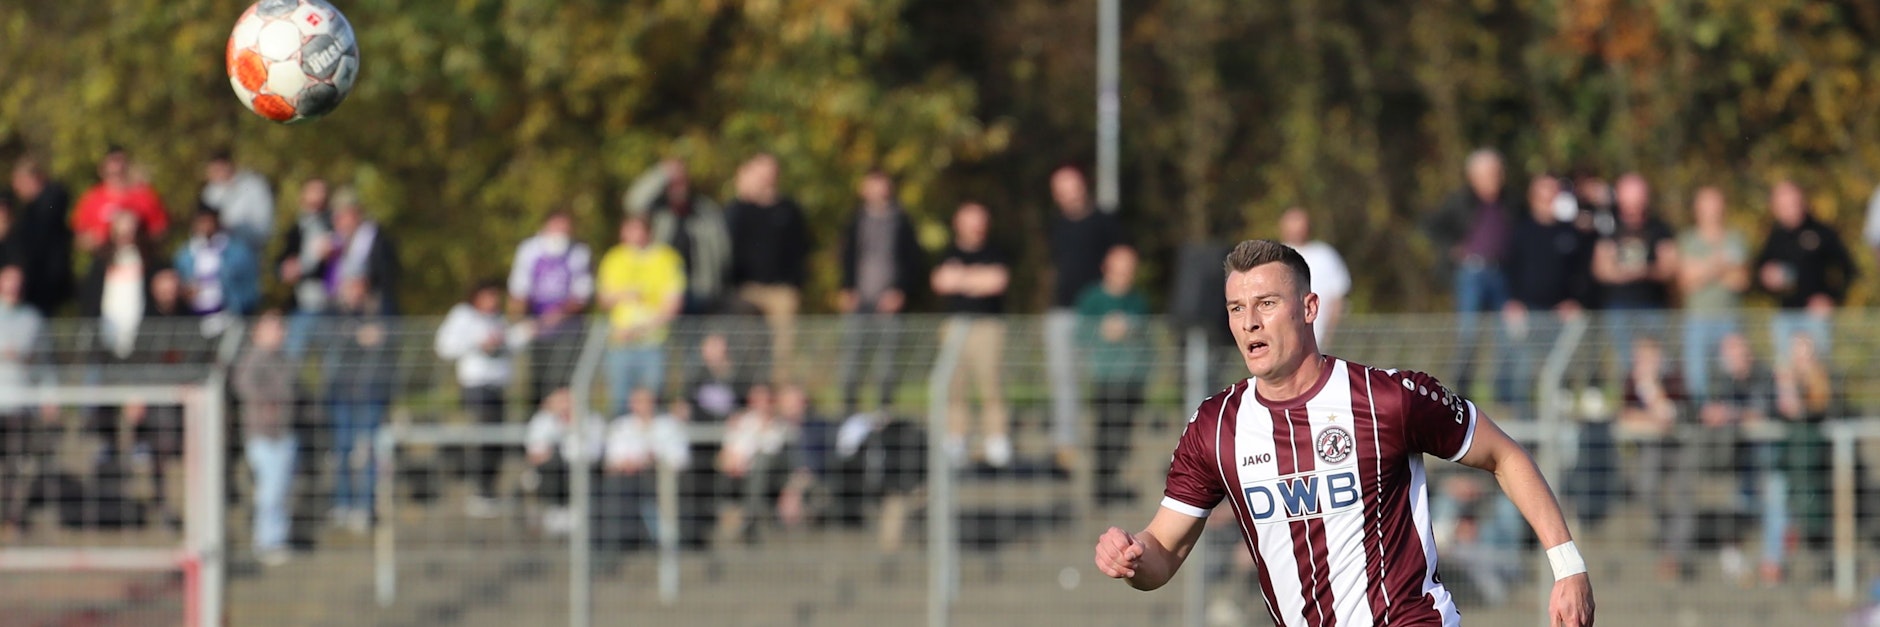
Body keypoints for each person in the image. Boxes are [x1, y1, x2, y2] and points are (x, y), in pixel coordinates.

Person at [1092, 239, 1593, 627]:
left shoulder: (1388, 399)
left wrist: (1567, 565)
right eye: (1236, 308)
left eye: (1266, 303)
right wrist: (1132, 557)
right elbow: (1164, 550)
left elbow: (1504, 455)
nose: (1250, 323)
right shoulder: (1216, 427)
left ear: (1310, 307)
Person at [1044, 165, 1123, 470]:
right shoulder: (1057, 225)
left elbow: (1121, 261)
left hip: (1099, 315)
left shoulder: (1105, 221)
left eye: (1072, 187)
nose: (1069, 195)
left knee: (1106, 382)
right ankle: (1066, 446)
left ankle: (1109, 450)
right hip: (1064, 312)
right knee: (1064, 380)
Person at [834, 170, 924, 417]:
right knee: (852, 362)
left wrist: (900, 291)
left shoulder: (902, 221)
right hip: (859, 303)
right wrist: (847, 288)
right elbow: (846, 258)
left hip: (890, 305)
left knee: (887, 364)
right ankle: (849, 416)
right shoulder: (855, 221)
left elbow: (912, 261)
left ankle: (883, 415)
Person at [1425, 149, 1516, 394]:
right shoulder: (1459, 201)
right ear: (1473, 176)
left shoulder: (1510, 202)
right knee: (1469, 333)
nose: (1494, 179)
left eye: (1497, 173)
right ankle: (1462, 392)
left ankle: (1505, 392)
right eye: (1488, 174)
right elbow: (1431, 226)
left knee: (1507, 335)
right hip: (1471, 273)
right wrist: (1452, 248)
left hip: (1502, 274)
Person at [436, 279, 529, 517]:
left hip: (498, 388)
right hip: (476, 387)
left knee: (496, 440)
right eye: (488, 295)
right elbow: (444, 346)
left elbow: (512, 343)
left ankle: (490, 490)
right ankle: (480, 491)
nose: (493, 301)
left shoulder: (500, 319)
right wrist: (478, 344)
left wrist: (522, 333)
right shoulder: (463, 316)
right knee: (483, 438)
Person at [1501, 175, 1592, 416]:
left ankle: (1557, 425)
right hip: (1528, 314)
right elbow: (1509, 269)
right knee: (1523, 373)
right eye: (1544, 195)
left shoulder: (1571, 232)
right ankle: (1523, 426)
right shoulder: (1520, 231)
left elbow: (1581, 272)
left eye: (1554, 194)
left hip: (1561, 316)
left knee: (1560, 376)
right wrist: (1513, 302)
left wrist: (1575, 301)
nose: (1550, 200)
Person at [931, 202, 1012, 468]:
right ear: (958, 224)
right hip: (955, 326)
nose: (976, 226)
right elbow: (941, 282)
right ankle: (956, 438)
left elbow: (997, 282)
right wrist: (977, 279)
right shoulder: (948, 252)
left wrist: (961, 279)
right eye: (970, 221)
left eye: (980, 220)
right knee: (955, 384)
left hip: (988, 326)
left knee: (991, 382)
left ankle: (996, 440)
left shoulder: (995, 251)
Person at [724, 154, 810, 383]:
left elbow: (800, 249)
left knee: (783, 350)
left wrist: (795, 283)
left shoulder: (789, 210)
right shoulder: (738, 209)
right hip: (746, 290)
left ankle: (779, 393)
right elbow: (727, 244)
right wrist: (742, 195)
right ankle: (752, 392)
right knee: (749, 347)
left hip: (781, 290)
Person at [1077, 245, 1152, 505]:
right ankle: (1102, 484)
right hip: (1104, 377)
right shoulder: (1092, 299)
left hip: (1132, 378)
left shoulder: (1138, 301)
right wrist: (1103, 330)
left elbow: (1147, 336)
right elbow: (1081, 334)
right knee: (1106, 432)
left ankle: (1113, 480)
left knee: (1123, 433)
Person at [322, 278, 396, 533]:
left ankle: (364, 507)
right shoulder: (332, 312)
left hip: (371, 392)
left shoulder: (381, 310)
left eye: (359, 286)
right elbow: (328, 338)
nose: (355, 292)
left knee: (368, 451)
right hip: (341, 393)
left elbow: (390, 341)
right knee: (342, 449)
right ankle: (343, 503)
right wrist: (356, 334)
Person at [1754, 180, 1856, 363]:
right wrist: (1766, 278)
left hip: (1815, 317)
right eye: (1783, 205)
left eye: (1793, 203)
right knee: (1785, 369)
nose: (1790, 209)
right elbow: (1758, 276)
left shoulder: (1822, 233)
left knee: (1817, 369)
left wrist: (1832, 297)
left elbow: (1849, 270)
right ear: (1775, 208)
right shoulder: (1774, 238)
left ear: (1803, 201)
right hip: (1786, 316)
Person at [1701, 333, 1775, 584]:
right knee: (1732, 506)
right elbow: (1708, 410)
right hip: (1730, 458)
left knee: (1768, 502)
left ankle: (1770, 562)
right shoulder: (1720, 380)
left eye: (1738, 352)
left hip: (1763, 455)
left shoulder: (1763, 375)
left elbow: (1763, 413)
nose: (1733, 359)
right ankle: (1735, 562)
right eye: (1729, 354)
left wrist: (1732, 414)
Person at [595, 216, 685, 416]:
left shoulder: (666, 258)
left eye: (637, 229)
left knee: (652, 401)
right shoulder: (614, 258)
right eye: (629, 229)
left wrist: (640, 330)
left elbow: (673, 305)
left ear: (648, 231)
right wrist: (625, 295)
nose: (633, 235)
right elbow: (603, 299)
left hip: (653, 342)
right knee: (619, 402)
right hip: (619, 342)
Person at [1591, 172, 1678, 374]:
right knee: (1625, 366)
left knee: (1657, 366)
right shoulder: (1609, 228)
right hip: (1619, 308)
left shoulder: (1659, 228)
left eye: (1637, 200)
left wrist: (1646, 271)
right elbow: (1600, 268)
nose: (1633, 206)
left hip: (1653, 307)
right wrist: (1624, 273)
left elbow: (1670, 267)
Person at [1767, 333, 1836, 584]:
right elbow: (1776, 412)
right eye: (1797, 353)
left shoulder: (1823, 381)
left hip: (1814, 461)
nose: (1801, 359)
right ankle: (1774, 563)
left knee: (1815, 513)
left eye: (1806, 353)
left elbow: (1816, 410)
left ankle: (1824, 566)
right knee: (1778, 505)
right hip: (1786, 459)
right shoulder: (1779, 381)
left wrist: (1794, 393)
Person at [506, 211, 593, 407]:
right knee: (535, 383)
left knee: (560, 383)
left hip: (568, 331)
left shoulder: (579, 252)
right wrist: (520, 321)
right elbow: (519, 291)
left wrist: (556, 315)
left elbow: (582, 294)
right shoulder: (529, 250)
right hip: (535, 330)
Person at [232, 311, 299, 566]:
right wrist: (269, 401)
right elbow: (245, 387)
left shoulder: (286, 359)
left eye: (281, 328)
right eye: (272, 328)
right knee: (269, 491)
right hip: (262, 435)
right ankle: (266, 541)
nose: (279, 333)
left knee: (281, 490)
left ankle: (277, 538)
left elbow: (292, 391)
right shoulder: (252, 359)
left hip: (285, 433)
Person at [624, 159, 733, 315]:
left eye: (682, 183)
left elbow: (722, 249)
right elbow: (633, 201)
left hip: (701, 292)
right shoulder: (659, 212)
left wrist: (718, 284)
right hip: (664, 293)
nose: (679, 189)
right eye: (673, 184)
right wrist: (663, 173)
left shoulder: (705, 211)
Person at [1675, 186, 1749, 401]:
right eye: (1707, 205)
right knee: (1697, 376)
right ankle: (1700, 414)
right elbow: (1686, 282)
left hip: (1730, 319)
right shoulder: (1688, 239)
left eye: (1716, 204)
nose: (1712, 210)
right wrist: (1721, 265)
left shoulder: (1735, 239)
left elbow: (1740, 281)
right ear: (1697, 208)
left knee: (1732, 377)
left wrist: (1702, 269)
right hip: (1697, 319)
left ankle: (1729, 414)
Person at [597, 388, 691, 554]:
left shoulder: (669, 425)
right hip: (627, 478)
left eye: (647, 401)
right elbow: (613, 459)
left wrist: (653, 460)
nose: (643, 405)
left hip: (659, 476)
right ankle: (619, 545)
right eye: (638, 401)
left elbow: (680, 458)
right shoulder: (621, 426)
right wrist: (633, 463)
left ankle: (666, 542)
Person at [0, 266, 55, 535]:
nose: (13, 287)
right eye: (8, 281)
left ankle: (11, 517)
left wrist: (50, 397)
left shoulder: (33, 320)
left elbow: (44, 363)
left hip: (19, 403)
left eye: (17, 282)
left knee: (16, 463)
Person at [524, 388, 607, 536]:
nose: (566, 404)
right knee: (551, 465)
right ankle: (558, 509)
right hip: (556, 469)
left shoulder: (594, 420)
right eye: (561, 400)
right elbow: (536, 454)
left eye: (569, 400)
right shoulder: (543, 421)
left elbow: (595, 452)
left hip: (585, 468)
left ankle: (577, 513)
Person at [716, 383, 788, 545]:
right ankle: (740, 520)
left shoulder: (777, 425)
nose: (759, 403)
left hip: (765, 473)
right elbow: (730, 446)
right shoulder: (741, 421)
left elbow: (772, 449)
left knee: (759, 468)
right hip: (738, 468)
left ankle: (748, 520)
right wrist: (735, 459)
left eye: (764, 399)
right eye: (756, 399)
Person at [173, 208, 263, 327]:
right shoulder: (184, 255)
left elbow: (251, 286)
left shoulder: (237, 251)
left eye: (208, 222)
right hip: (195, 319)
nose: (206, 227)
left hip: (229, 317)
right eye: (201, 222)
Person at [8, 157, 74, 316]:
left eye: (19, 182)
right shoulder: (29, 209)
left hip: (48, 281)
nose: (16, 189)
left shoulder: (51, 201)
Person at [71, 146, 169, 252]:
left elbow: (161, 230)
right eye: (113, 173)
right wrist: (103, 238)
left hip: (140, 255)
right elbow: (79, 236)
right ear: (102, 171)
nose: (117, 177)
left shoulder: (144, 195)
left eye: (121, 171)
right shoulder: (92, 199)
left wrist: (138, 236)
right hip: (105, 256)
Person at [276, 179, 333, 359]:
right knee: (293, 356)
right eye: (313, 192)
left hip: (330, 304)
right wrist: (286, 269)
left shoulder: (334, 226)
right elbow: (282, 263)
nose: (318, 197)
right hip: (301, 304)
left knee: (333, 358)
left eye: (321, 192)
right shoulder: (296, 229)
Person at [1278, 208, 1351, 349]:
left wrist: (1331, 334)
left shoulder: (1325, 255)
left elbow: (1337, 299)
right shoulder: (1276, 256)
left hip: (1319, 339)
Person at [322, 187, 401, 315]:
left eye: (342, 215)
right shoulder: (336, 242)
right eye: (336, 216)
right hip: (341, 308)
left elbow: (387, 277)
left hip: (373, 308)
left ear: (356, 214)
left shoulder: (376, 239)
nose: (337, 221)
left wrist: (364, 284)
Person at [198, 151, 274, 252]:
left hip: (248, 247)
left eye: (218, 170)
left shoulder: (254, 186)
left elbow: (263, 224)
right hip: (216, 249)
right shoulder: (210, 192)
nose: (215, 174)